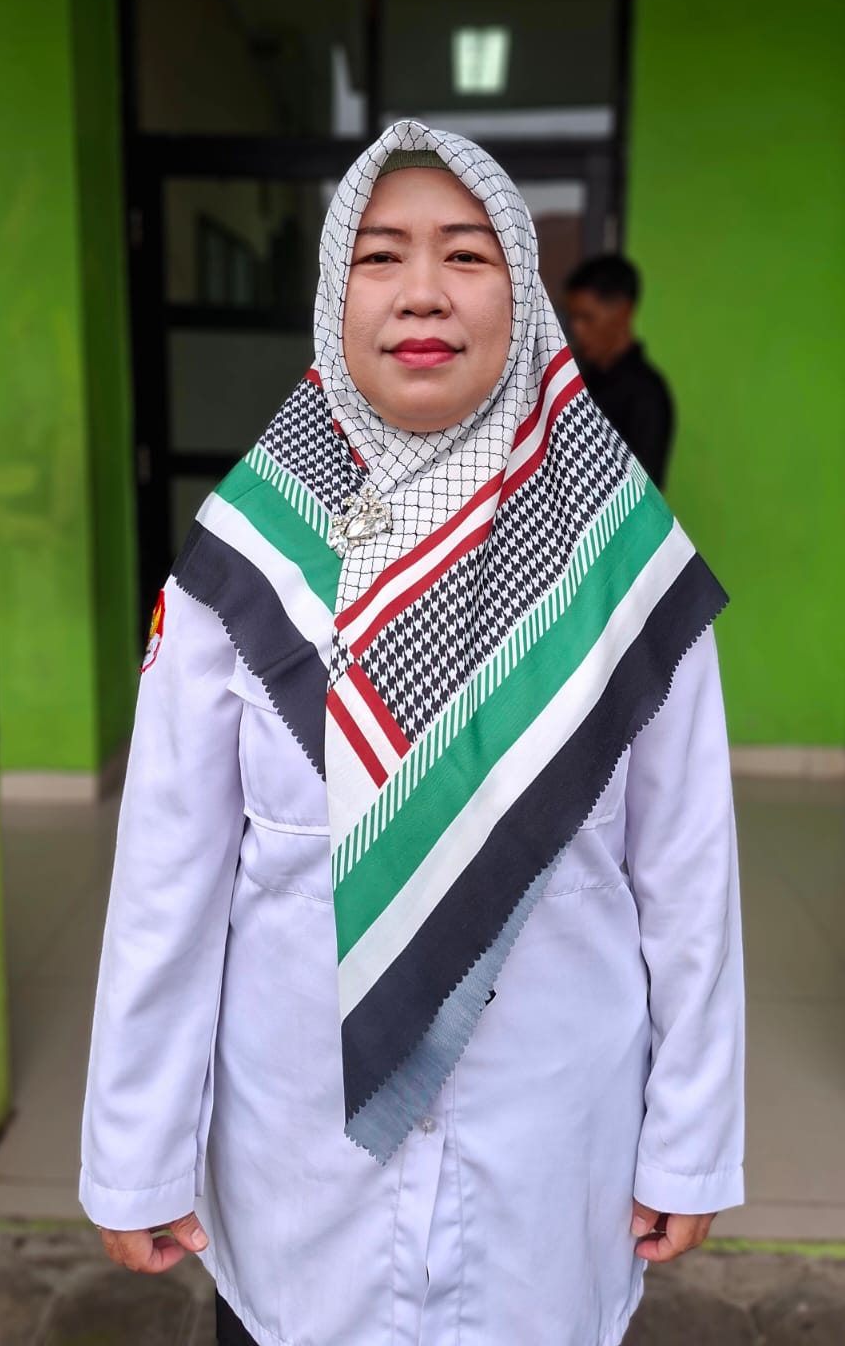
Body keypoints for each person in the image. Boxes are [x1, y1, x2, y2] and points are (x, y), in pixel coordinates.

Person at [81, 122, 744, 1346]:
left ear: (523, 293)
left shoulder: (625, 566)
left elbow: (687, 875)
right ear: (334, 297)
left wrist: (691, 1136)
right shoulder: (245, 562)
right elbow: (168, 880)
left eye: (469, 255)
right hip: (300, 1191)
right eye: (380, 255)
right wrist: (137, 1148)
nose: (423, 292)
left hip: (548, 1183)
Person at [561, 255, 675, 488]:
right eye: (572, 318)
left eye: (586, 318)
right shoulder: (580, 382)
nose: (576, 330)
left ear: (622, 312)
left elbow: (642, 488)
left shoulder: (646, 394)